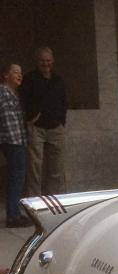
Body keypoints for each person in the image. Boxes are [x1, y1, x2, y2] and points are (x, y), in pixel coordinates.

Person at [19, 46, 67, 195]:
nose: (45, 63)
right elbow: (23, 100)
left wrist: (61, 120)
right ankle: (35, 201)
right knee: (35, 167)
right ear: (36, 61)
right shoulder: (29, 78)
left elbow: (64, 101)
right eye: (42, 60)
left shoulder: (58, 79)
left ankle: (54, 199)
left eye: (48, 60)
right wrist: (31, 118)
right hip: (36, 128)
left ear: (53, 61)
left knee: (56, 168)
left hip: (56, 128)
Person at [0, 64, 30, 228]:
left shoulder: (14, 94)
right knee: (16, 177)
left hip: (19, 139)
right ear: (6, 75)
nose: (20, 75)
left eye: (20, 72)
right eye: (15, 72)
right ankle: (12, 216)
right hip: (10, 139)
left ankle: (15, 213)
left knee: (17, 177)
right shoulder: (2, 92)